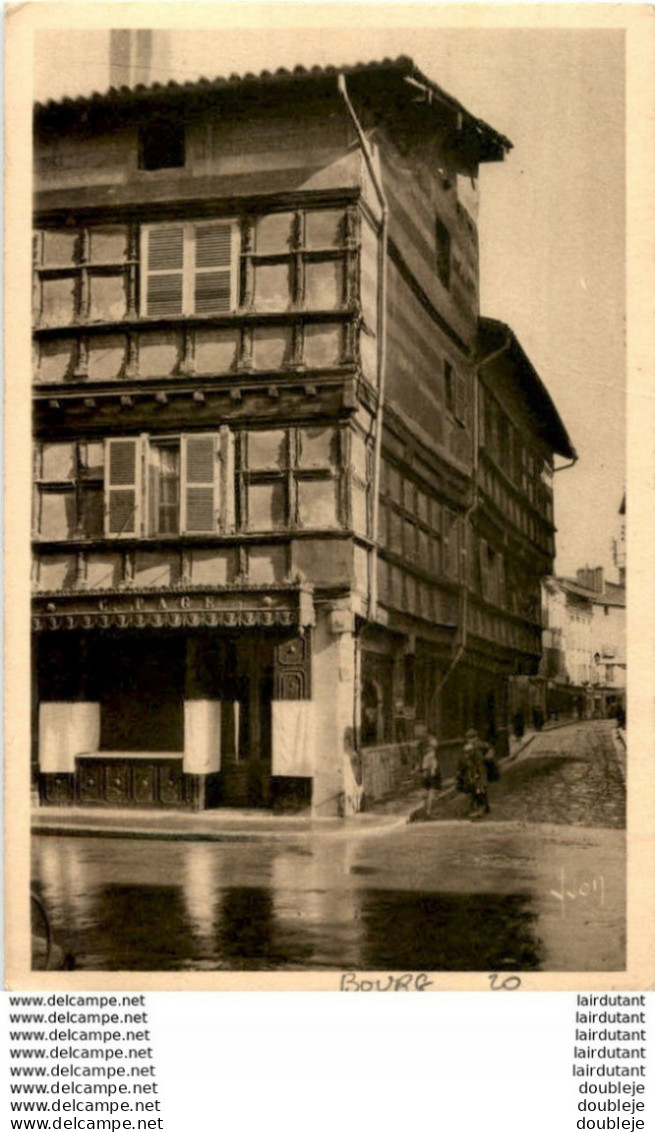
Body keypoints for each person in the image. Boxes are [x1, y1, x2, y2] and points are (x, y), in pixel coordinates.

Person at [456, 728, 491, 819]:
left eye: (469, 738)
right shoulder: (482, 744)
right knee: (480, 789)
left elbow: (467, 761)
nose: (469, 740)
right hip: (480, 770)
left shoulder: (472, 747)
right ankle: (484, 807)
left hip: (475, 771)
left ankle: (480, 809)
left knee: (478, 790)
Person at [420, 734, 442, 818]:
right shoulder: (431, 754)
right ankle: (428, 811)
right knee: (431, 793)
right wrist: (432, 771)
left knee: (426, 793)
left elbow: (424, 765)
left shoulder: (425, 754)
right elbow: (433, 765)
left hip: (426, 773)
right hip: (430, 774)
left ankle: (426, 810)